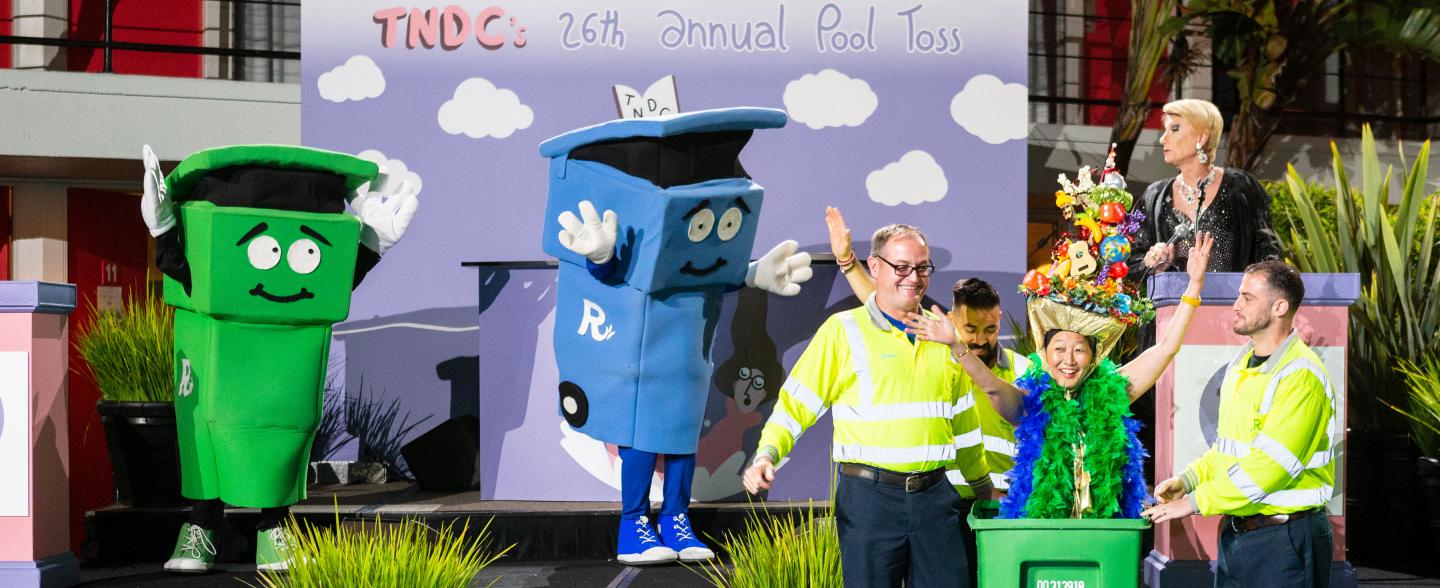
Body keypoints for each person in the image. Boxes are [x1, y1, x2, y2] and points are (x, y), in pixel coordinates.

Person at [141, 144, 419, 573]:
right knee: (206, 431)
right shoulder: (211, 265)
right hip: (222, 352)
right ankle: (202, 525)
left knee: (286, 433)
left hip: (291, 359)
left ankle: (275, 529)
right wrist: (164, 230)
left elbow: (332, 282)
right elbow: (185, 271)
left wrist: (369, 245)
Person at [742, 223, 989, 588]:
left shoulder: (945, 335)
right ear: (874, 267)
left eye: (922, 267)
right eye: (901, 267)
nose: (914, 278)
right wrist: (767, 454)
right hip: (869, 501)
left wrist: (982, 486)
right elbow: (795, 405)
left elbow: (965, 424)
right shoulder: (842, 331)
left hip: (937, 501)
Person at [825, 206, 1027, 585]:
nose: (981, 339)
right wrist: (848, 262)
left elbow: (1015, 406)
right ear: (950, 320)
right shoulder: (933, 341)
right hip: (945, 497)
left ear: (1001, 318)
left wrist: (959, 350)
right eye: (970, 329)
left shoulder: (1018, 367)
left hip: (998, 505)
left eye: (990, 328)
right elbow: (884, 304)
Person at [1143, 260, 1336, 587]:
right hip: (1241, 536)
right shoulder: (1243, 365)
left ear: (1280, 307)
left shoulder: (1300, 375)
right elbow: (1228, 449)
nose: (1236, 305)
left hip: (1284, 541)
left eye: (1248, 298)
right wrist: (1188, 481)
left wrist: (1194, 502)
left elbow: (1267, 469)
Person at [1131, 99, 1282, 276]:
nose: (1163, 139)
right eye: (1165, 130)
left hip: (1232, 302)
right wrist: (1151, 263)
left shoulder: (1240, 187)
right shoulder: (1154, 195)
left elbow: (1268, 254)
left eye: (1175, 129)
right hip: (1175, 303)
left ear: (1202, 137)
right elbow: (1130, 261)